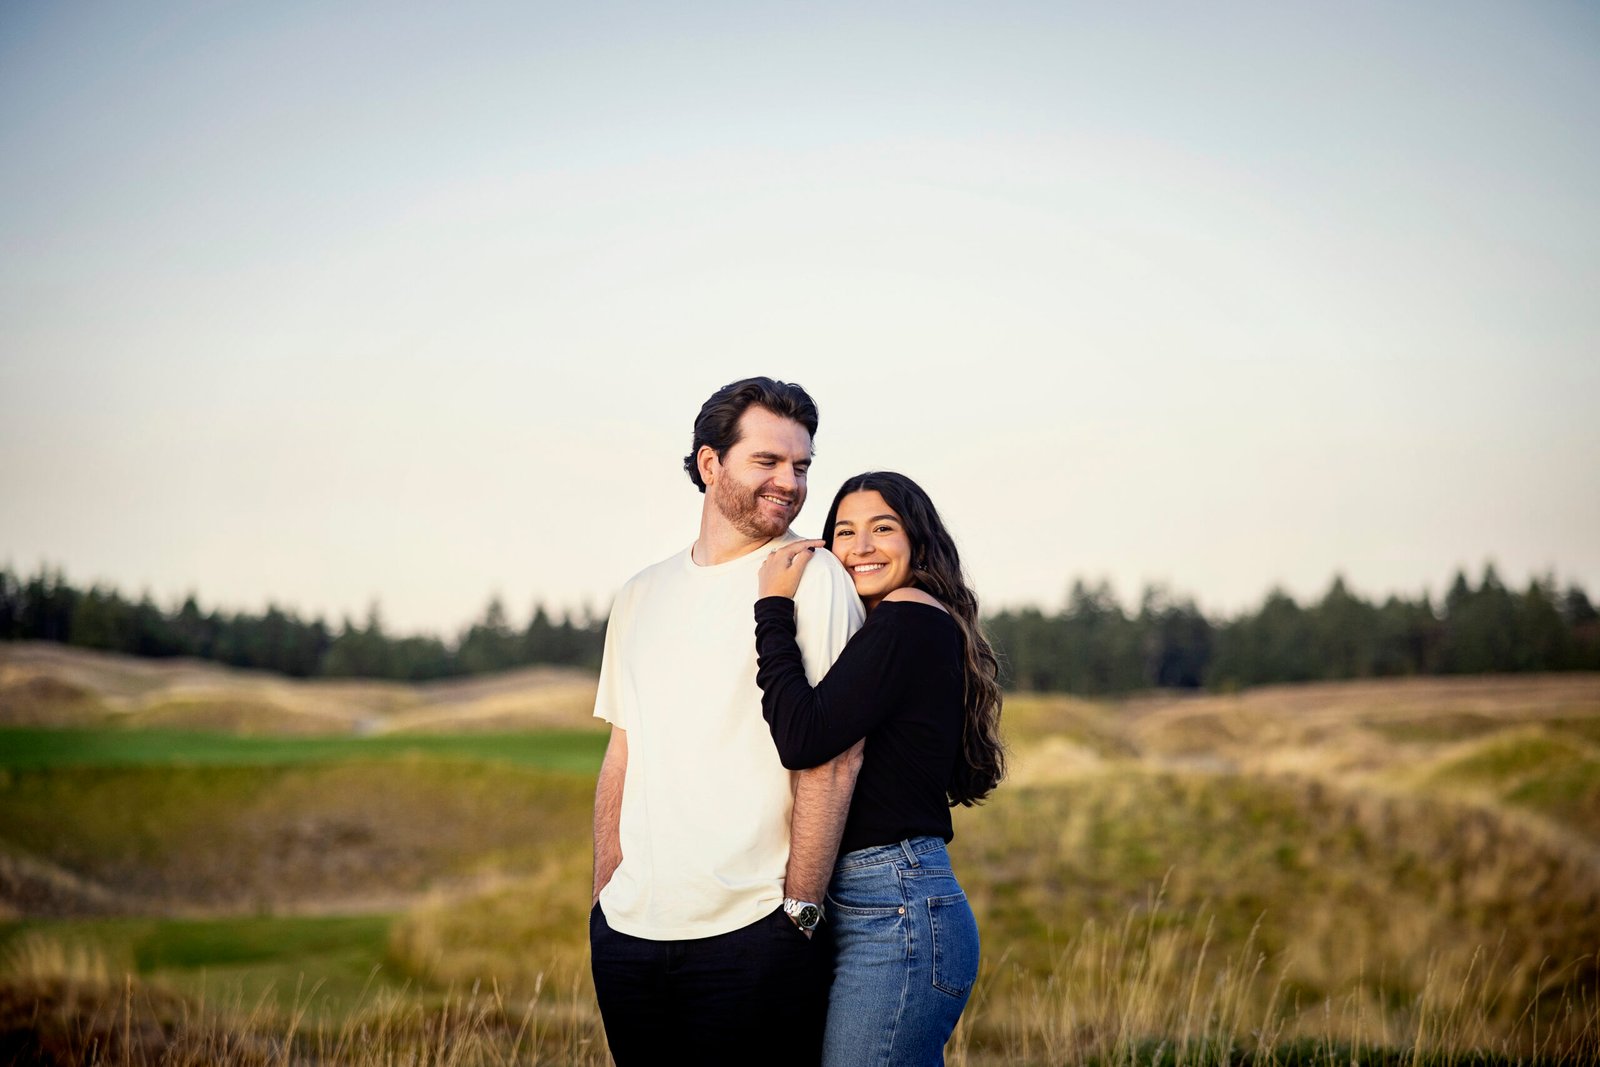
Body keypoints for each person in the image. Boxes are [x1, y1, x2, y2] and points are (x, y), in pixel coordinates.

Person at [588, 377, 866, 1066]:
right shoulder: (640, 594)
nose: (790, 483)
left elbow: (835, 755)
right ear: (710, 464)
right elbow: (623, 752)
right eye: (767, 461)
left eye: (801, 465)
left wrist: (800, 911)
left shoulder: (813, 577)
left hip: (757, 933)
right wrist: (604, 897)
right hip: (629, 935)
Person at [754, 470, 1006, 1067]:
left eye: (882, 528)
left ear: (918, 540)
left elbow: (803, 736)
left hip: (895, 906)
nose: (861, 546)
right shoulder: (904, 624)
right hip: (882, 900)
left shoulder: (906, 616)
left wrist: (772, 607)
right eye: (844, 531)